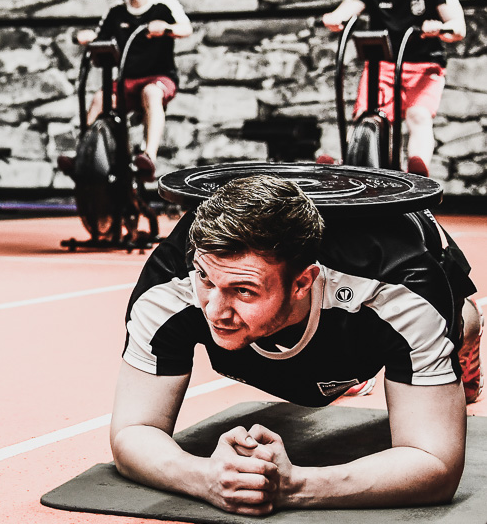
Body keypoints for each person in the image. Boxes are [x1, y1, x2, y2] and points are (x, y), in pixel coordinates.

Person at [112, 174, 482, 516]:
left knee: (458, 321)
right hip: (328, 326)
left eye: (244, 290)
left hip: (409, 243)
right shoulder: (171, 286)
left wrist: (295, 487)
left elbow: (436, 465)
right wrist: (202, 476)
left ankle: (446, 352)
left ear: (303, 283)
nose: (215, 311)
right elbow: (131, 430)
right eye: (207, 281)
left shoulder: (399, 293)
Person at [321, 0, 467, 176]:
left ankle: (417, 174)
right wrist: (334, 19)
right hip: (383, 67)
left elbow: (458, 28)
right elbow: (342, 13)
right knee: (367, 120)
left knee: (419, 117)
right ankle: (357, 171)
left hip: (423, 66)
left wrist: (438, 27)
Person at [61, 0, 191, 181]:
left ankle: (148, 157)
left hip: (158, 78)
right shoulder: (115, 13)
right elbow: (100, 41)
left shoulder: (163, 5)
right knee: (99, 99)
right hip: (125, 81)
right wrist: (88, 38)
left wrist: (166, 29)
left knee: (151, 93)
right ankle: (82, 153)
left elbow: (185, 28)